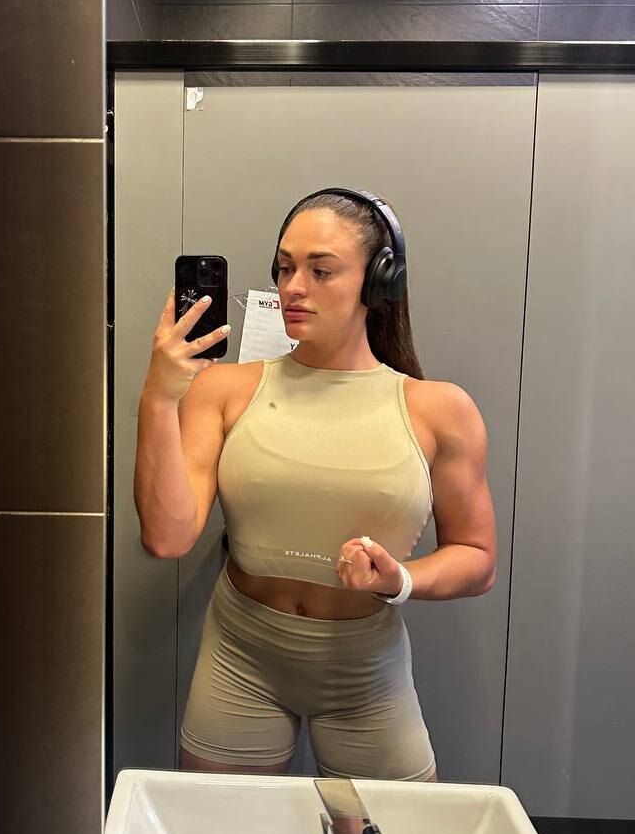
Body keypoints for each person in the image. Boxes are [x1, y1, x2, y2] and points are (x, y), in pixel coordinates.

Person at [134, 187, 498, 781]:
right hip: (240, 658)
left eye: (320, 270)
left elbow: (477, 559)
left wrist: (400, 580)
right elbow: (167, 537)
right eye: (284, 268)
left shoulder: (440, 410)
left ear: (377, 282)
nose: (293, 288)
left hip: (364, 672)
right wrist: (158, 396)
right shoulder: (224, 390)